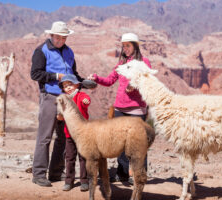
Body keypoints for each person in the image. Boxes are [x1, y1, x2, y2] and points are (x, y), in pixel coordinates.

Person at [87, 32, 151, 184]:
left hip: (137, 109)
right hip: (120, 108)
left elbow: (147, 79)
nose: (125, 48)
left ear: (135, 46)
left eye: (128, 45)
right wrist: (96, 78)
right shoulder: (121, 64)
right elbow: (109, 80)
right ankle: (122, 174)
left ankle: (140, 175)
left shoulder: (144, 62)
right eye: (123, 46)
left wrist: (133, 85)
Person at [30, 21, 85, 187]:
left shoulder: (69, 52)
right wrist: (56, 77)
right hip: (50, 97)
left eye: (64, 37)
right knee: (45, 137)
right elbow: (35, 74)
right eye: (58, 37)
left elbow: (72, 74)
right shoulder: (41, 51)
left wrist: (83, 82)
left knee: (63, 137)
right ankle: (39, 174)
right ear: (51, 35)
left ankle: (55, 173)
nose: (61, 40)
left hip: (67, 99)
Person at [57, 74, 90, 192]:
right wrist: (59, 116)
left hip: (82, 133)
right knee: (69, 157)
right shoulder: (63, 99)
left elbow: (86, 100)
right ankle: (69, 181)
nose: (68, 87)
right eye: (65, 86)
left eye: (70, 84)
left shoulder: (81, 95)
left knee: (83, 157)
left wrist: (86, 101)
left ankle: (84, 181)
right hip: (69, 133)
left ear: (77, 85)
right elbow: (60, 115)